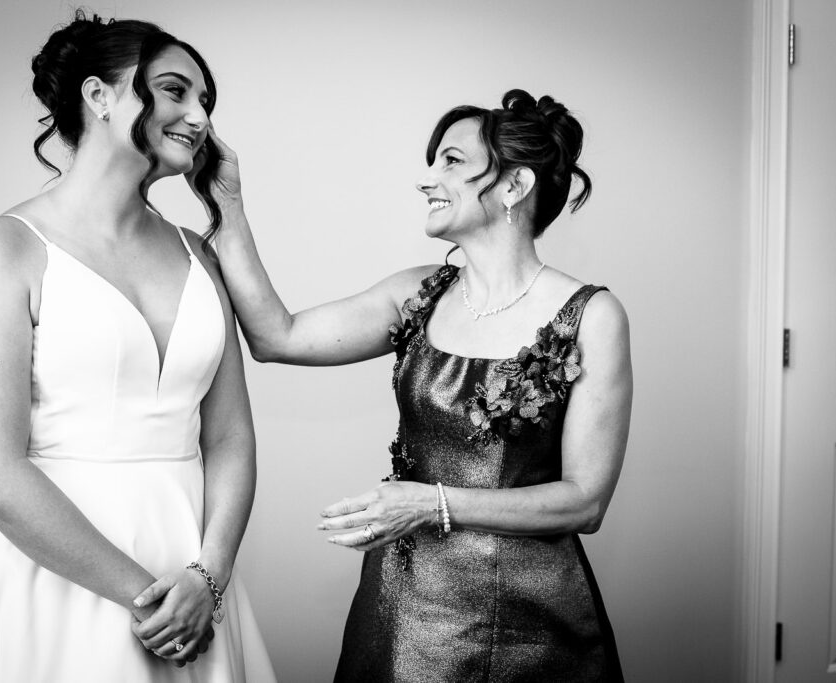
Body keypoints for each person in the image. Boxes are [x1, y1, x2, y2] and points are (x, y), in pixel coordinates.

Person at [188, 89, 631, 681]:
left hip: (537, 617)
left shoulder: (593, 316)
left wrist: (432, 502)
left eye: (451, 161)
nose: (429, 179)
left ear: (514, 187)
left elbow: (586, 500)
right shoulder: (416, 295)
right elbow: (277, 337)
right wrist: (229, 203)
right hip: (406, 604)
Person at [0, 11, 275, 682]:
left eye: (206, 102)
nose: (199, 117)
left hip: (192, 569)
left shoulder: (198, 256)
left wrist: (207, 578)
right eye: (175, 90)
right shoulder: (3, 248)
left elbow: (230, 438)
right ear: (99, 96)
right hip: (51, 576)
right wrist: (150, 598)